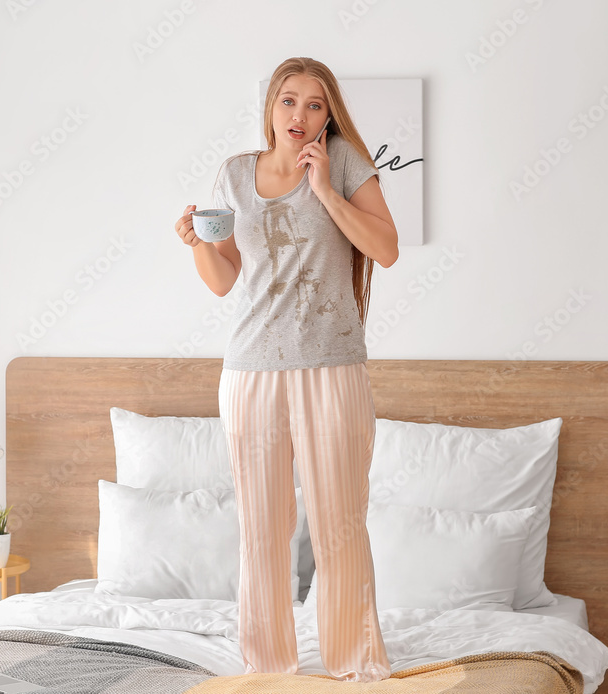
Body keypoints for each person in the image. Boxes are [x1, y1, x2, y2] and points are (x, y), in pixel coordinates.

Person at [173, 56, 398, 682]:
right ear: (270, 107)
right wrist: (197, 246)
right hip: (251, 373)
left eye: (315, 105)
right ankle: (269, 668)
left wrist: (324, 189)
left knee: (339, 525)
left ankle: (355, 666)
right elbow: (224, 281)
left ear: (328, 115)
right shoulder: (235, 176)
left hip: (332, 368)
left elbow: (386, 248)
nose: (300, 116)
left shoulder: (344, 162)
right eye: (289, 101)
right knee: (263, 531)